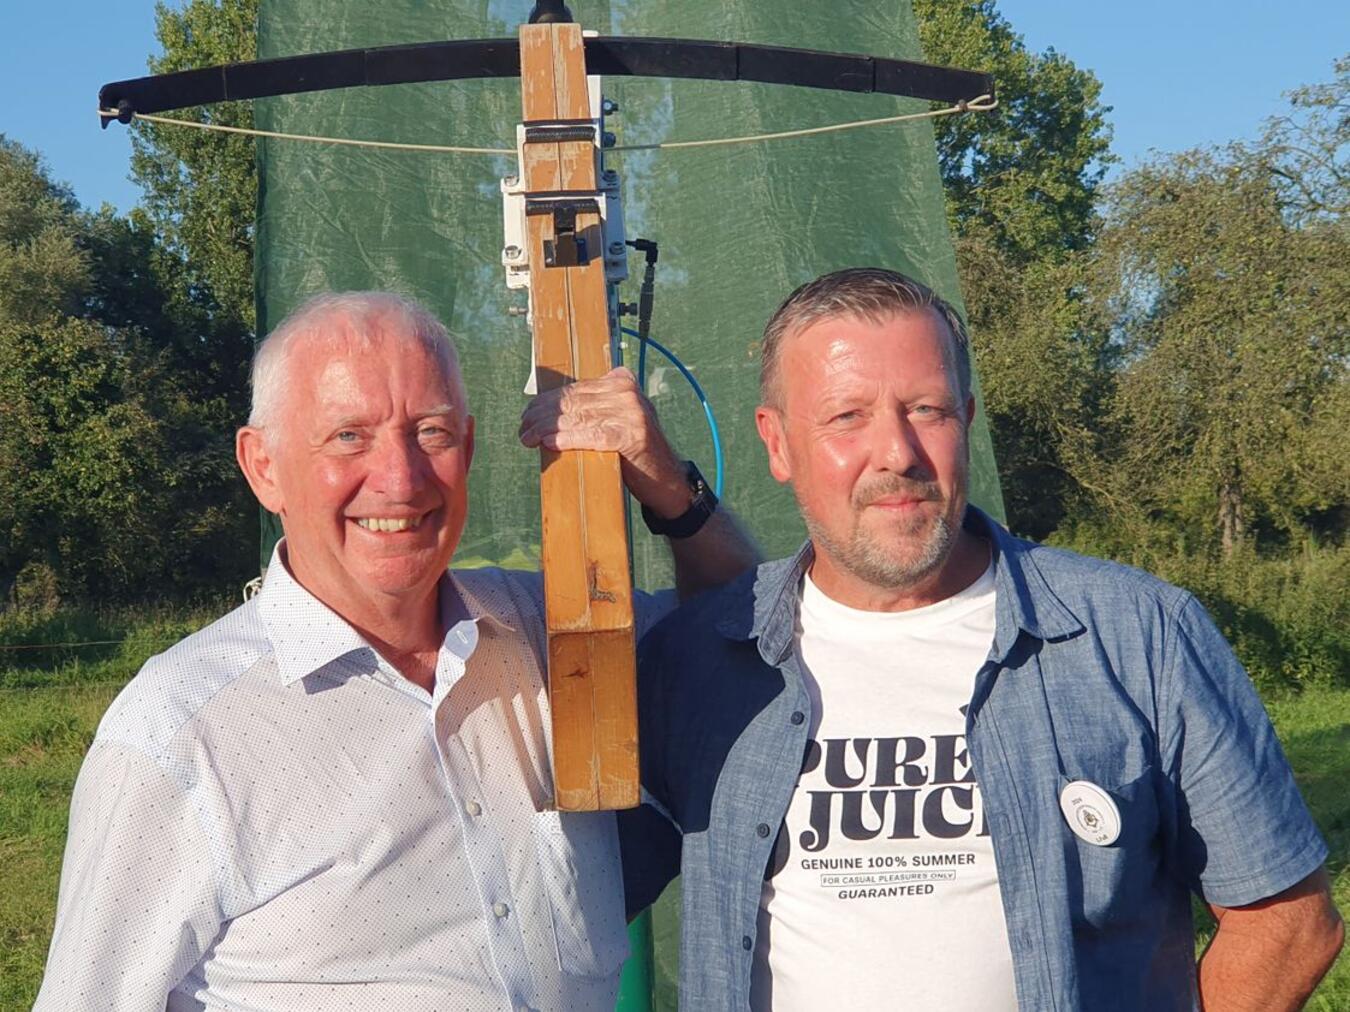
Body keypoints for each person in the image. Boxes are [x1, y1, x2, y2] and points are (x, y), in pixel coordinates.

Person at [621, 268, 1344, 1011]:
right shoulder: (699, 661)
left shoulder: (1138, 636)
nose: (896, 452)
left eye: (926, 410)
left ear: (965, 419)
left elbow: (1289, 923)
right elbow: (574, 897)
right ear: (777, 444)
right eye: (846, 417)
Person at [35, 291, 757, 1011]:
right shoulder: (179, 735)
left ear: (468, 449)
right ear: (264, 467)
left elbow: (741, 636)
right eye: (349, 436)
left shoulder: (554, 633)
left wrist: (670, 488)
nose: (400, 479)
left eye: (430, 432)